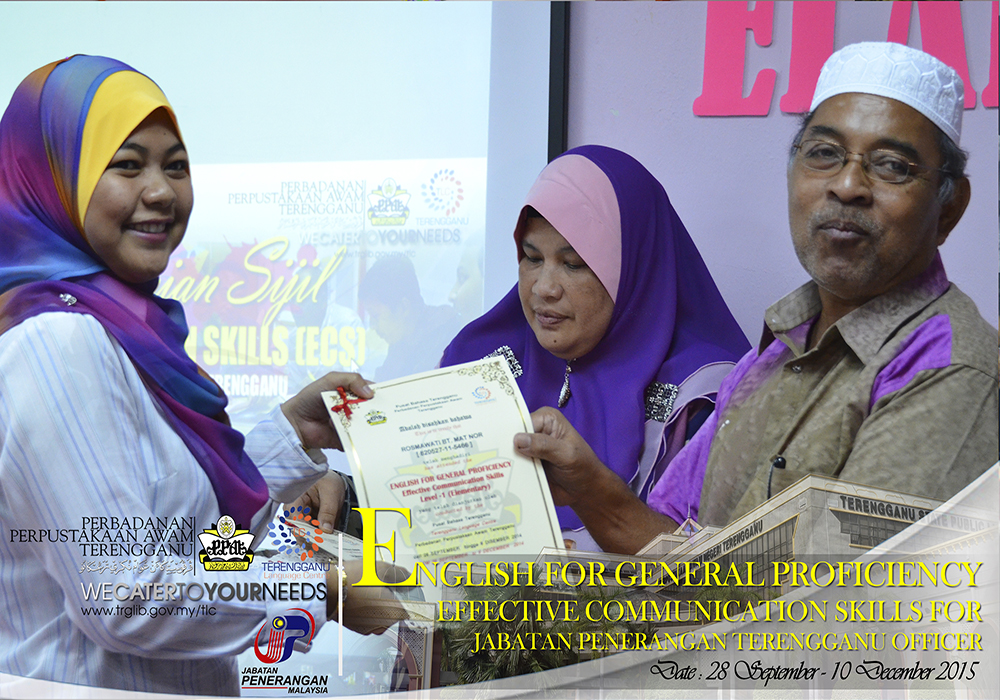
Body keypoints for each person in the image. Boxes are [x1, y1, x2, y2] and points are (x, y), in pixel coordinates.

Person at [0, 55, 402, 695]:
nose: (161, 191)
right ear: (51, 180)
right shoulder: (57, 341)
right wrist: (320, 590)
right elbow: (123, 596)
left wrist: (291, 436)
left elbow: (187, 542)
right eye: (126, 164)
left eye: (176, 166)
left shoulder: (130, 332)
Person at [513, 43, 998, 554]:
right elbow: (675, 547)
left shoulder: (946, 367)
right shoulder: (774, 353)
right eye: (824, 153)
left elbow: (837, 594)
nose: (847, 185)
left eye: (892, 165)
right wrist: (592, 490)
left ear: (949, 209)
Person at [440, 145, 750, 551]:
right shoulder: (477, 361)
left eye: (573, 264)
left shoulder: (702, 397)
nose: (543, 288)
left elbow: (723, 571)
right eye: (532, 258)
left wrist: (593, 495)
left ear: (634, 266)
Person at [359, 253, 463, 381]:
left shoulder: (446, 334)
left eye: (376, 316)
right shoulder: (401, 341)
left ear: (403, 307)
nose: (372, 326)